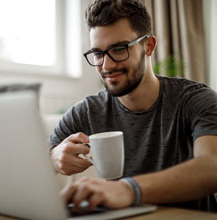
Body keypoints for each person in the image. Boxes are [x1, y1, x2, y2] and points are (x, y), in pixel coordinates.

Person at [49, 0, 217, 213]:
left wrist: (128, 189)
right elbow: (35, 163)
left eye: (119, 49)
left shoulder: (195, 100)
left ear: (149, 45)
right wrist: (53, 158)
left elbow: (213, 166)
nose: (107, 66)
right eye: (98, 54)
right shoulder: (88, 111)